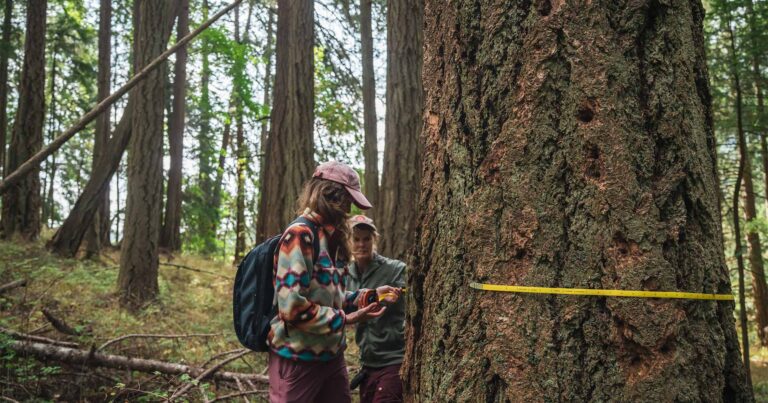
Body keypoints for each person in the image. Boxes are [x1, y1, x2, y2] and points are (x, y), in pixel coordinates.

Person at [267, 161, 399, 403]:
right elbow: (291, 306)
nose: (348, 209)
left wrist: (368, 296)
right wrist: (347, 319)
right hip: (297, 360)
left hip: (332, 359)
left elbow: (332, 297)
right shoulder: (300, 235)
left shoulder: (331, 239)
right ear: (330, 194)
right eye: (347, 200)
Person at [346, 215, 406, 403]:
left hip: (394, 361)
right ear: (348, 242)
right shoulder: (345, 275)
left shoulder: (395, 270)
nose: (361, 244)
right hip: (367, 364)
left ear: (374, 240)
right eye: (356, 239)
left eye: (366, 239)